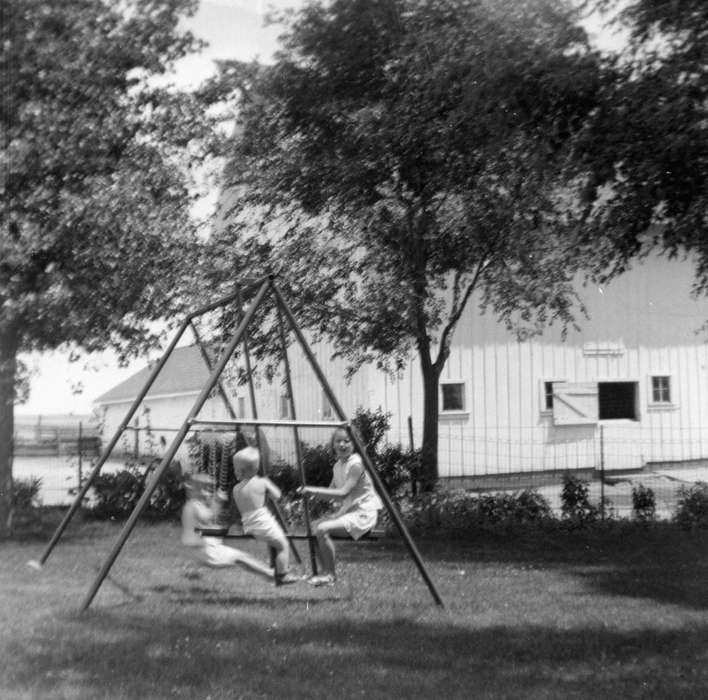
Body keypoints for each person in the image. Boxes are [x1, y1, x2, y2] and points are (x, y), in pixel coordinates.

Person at [299, 427, 383, 587]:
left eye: (347, 441)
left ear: (355, 444)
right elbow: (331, 492)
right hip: (350, 512)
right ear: (333, 445)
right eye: (338, 441)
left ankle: (331, 575)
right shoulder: (337, 465)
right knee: (314, 527)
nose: (343, 444)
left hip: (363, 514)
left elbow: (343, 493)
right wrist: (310, 494)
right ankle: (324, 572)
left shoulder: (356, 465)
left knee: (322, 529)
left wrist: (313, 491)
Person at [180, 472, 274, 581]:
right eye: (205, 489)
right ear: (195, 490)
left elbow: (204, 524)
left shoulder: (195, 504)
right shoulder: (193, 504)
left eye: (209, 490)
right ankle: (270, 574)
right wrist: (218, 502)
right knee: (241, 558)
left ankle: (268, 575)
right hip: (204, 550)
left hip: (203, 549)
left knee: (242, 559)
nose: (208, 493)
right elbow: (207, 516)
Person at [232, 446, 300, 586]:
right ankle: (282, 576)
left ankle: (277, 566)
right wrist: (268, 488)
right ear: (256, 469)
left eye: (235, 468)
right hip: (262, 521)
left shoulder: (236, 489)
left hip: (248, 524)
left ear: (240, 471)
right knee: (282, 545)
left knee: (273, 542)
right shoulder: (262, 482)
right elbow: (277, 496)